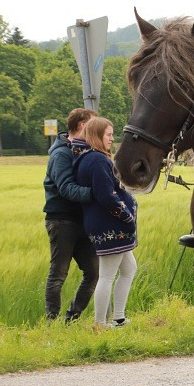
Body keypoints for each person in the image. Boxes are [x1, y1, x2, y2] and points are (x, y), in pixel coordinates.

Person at [73, 117, 138, 329]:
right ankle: (100, 324)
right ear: (97, 135)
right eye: (108, 134)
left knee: (129, 268)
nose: (112, 138)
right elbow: (105, 195)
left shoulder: (89, 158)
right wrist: (126, 215)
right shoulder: (98, 160)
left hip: (109, 224)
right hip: (110, 225)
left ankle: (118, 317)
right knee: (107, 275)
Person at [42, 107, 99, 322]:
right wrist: (98, 194)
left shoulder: (85, 151)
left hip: (82, 221)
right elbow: (66, 188)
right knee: (59, 274)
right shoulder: (62, 154)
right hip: (62, 220)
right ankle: (51, 322)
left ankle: (71, 319)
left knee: (94, 272)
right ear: (83, 126)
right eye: (95, 124)